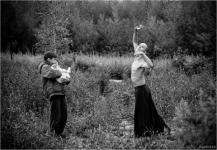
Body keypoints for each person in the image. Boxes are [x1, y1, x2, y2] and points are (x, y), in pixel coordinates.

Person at [131, 25, 170, 138]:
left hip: (142, 89)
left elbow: (151, 65)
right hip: (139, 89)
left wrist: (144, 55)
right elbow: (134, 40)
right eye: (139, 46)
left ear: (144, 51)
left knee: (142, 111)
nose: (139, 47)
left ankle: (144, 132)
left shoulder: (142, 61)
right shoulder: (136, 57)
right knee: (148, 110)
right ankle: (152, 128)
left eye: (142, 47)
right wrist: (135, 31)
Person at [38, 51, 70, 137]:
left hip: (61, 92)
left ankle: (59, 133)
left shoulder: (55, 67)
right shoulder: (44, 66)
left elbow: (63, 78)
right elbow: (52, 74)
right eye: (54, 58)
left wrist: (66, 79)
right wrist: (61, 72)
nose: (56, 60)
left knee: (64, 114)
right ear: (48, 59)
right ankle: (52, 134)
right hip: (53, 92)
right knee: (56, 114)